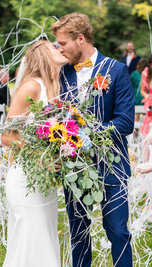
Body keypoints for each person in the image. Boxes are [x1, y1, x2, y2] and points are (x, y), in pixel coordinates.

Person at [52, 13, 134, 267]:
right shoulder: (62, 73)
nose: (59, 48)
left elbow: (125, 122)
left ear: (80, 38)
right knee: (78, 233)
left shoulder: (116, 70)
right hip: (73, 165)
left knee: (118, 231)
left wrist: (88, 135)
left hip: (112, 164)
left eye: (63, 43)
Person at [1, 40, 69, 267]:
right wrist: (42, 160)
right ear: (43, 56)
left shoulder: (54, 87)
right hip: (25, 181)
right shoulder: (31, 87)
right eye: (54, 46)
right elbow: (7, 136)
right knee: (28, 241)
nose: (60, 48)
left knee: (45, 240)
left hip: (44, 182)